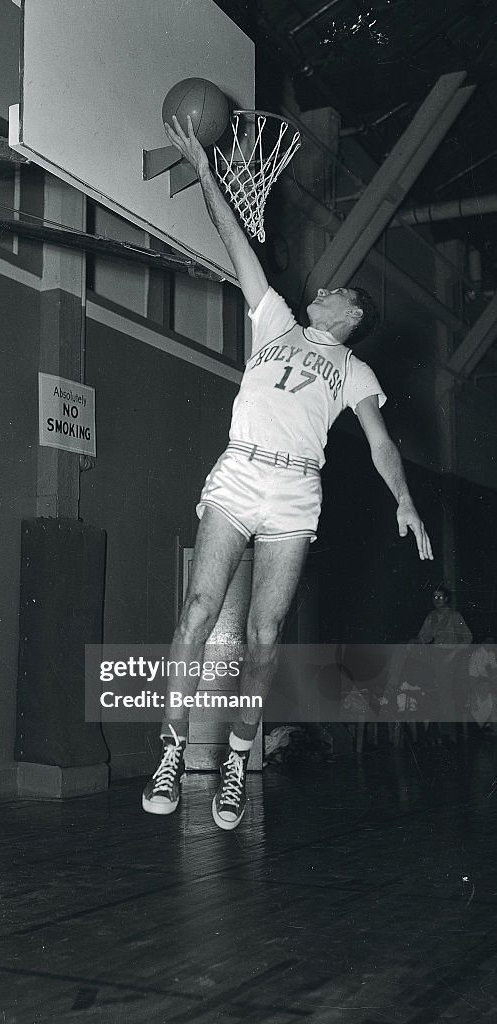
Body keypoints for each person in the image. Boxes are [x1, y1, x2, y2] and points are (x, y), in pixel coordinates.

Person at [142, 114, 433, 831]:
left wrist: (405, 501)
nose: (324, 287)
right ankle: (172, 750)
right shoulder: (271, 320)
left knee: (266, 636)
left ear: (349, 314)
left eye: (337, 290)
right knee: (199, 612)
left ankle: (237, 761)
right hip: (239, 475)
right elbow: (233, 240)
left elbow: (377, 440)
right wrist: (205, 169)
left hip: (297, 489)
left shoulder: (352, 367)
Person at [417, 584, 472, 742]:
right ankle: (431, 731)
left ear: (446, 598)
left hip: (452, 657)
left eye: (440, 597)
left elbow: (468, 637)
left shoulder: (455, 616)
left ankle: (449, 732)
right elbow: (423, 637)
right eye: (435, 597)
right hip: (435, 656)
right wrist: (423, 646)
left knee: (445, 694)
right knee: (430, 691)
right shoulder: (431, 617)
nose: (437, 600)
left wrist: (453, 653)